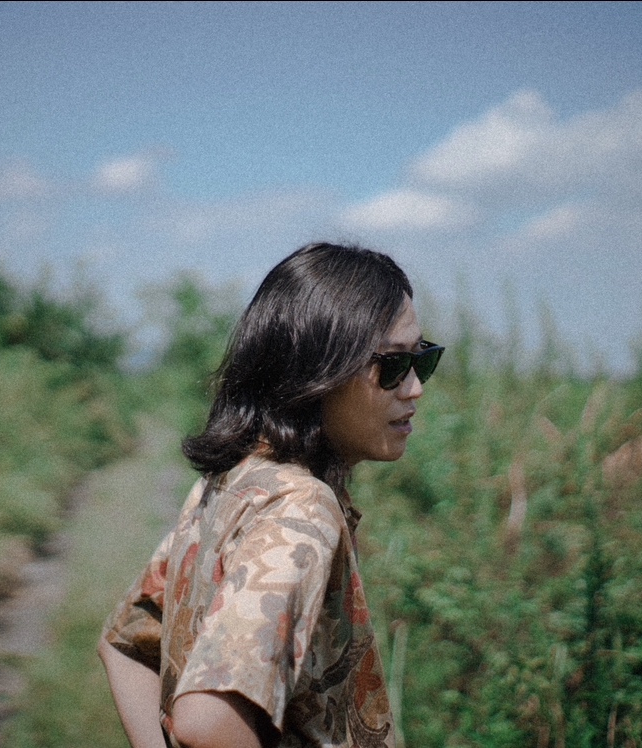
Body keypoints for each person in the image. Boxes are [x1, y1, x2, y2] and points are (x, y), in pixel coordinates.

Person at [98, 242, 444, 748]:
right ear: (317, 371)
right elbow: (208, 720)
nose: (414, 388)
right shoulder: (301, 508)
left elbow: (126, 645)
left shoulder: (229, 482)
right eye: (392, 365)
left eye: (422, 359)